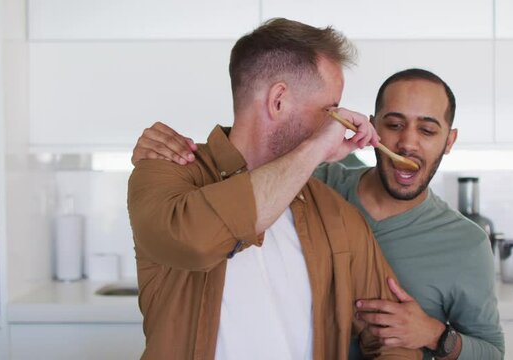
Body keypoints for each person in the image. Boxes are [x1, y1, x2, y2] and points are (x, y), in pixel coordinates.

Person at [133, 68, 504, 359]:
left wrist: (436, 336)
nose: (407, 142)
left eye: (427, 129)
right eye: (393, 125)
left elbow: (491, 352)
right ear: (373, 126)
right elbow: (254, 151)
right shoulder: (317, 182)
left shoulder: (466, 243)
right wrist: (161, 154)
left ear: (449, 141)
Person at [127, 18, 422, 360]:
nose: (335, 124)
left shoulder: (335, 212)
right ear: (278, 100)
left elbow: (394, 340)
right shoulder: (166, 171)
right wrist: (316, 148)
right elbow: (194, 241)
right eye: (330, 110)